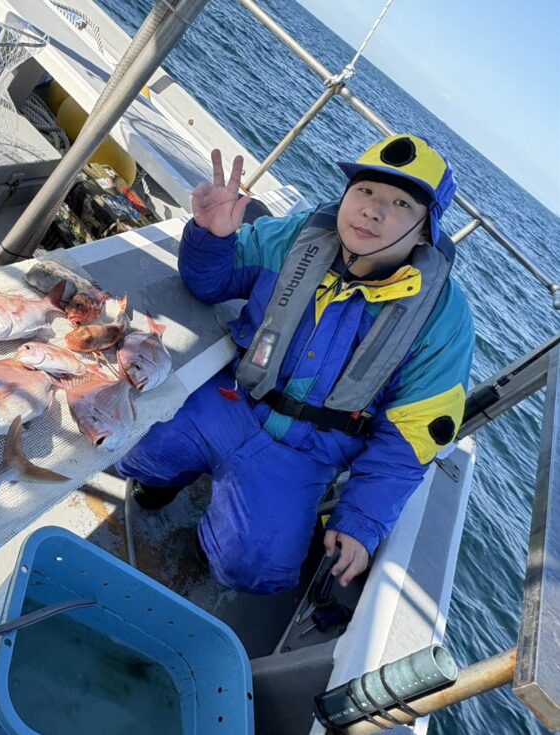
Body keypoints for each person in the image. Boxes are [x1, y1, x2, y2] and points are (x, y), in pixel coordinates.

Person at [116, 134, 474, 594]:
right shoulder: (298, 236)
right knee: (123, 447)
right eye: (365, 191)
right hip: (231, 400)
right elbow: (211, 283)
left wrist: (362, 519)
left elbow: (409, 439)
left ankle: (216, 542)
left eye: (401, 203)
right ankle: (161, 481)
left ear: (427, 229)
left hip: (306, 455)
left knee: (253, 570)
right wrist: (212, 237)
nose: (373, 210)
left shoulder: (443, 317)